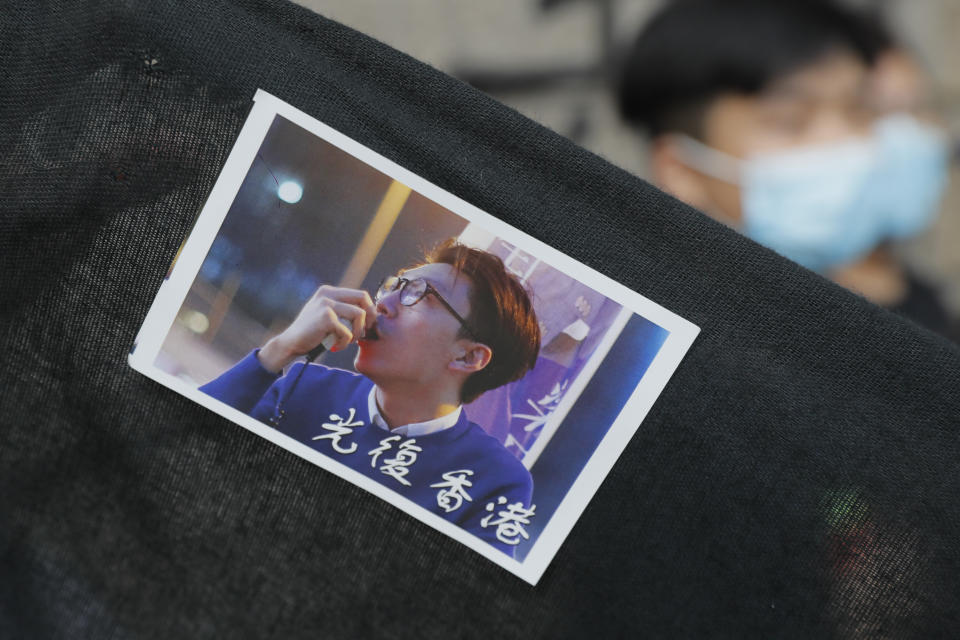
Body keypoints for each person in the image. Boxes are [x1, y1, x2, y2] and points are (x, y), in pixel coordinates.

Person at [617, 0, 956, 339]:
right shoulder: (670, 340)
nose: (844, 143)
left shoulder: (912, 304)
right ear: (682, 171)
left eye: (859, 111)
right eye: (790, 121)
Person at [199, 239, 542, 556]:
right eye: (395, 286)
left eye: (421, 296)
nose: (383, 304)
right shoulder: (305, 386)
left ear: (468, 358)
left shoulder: (496, 483)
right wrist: (279, 349)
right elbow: (183, 440)